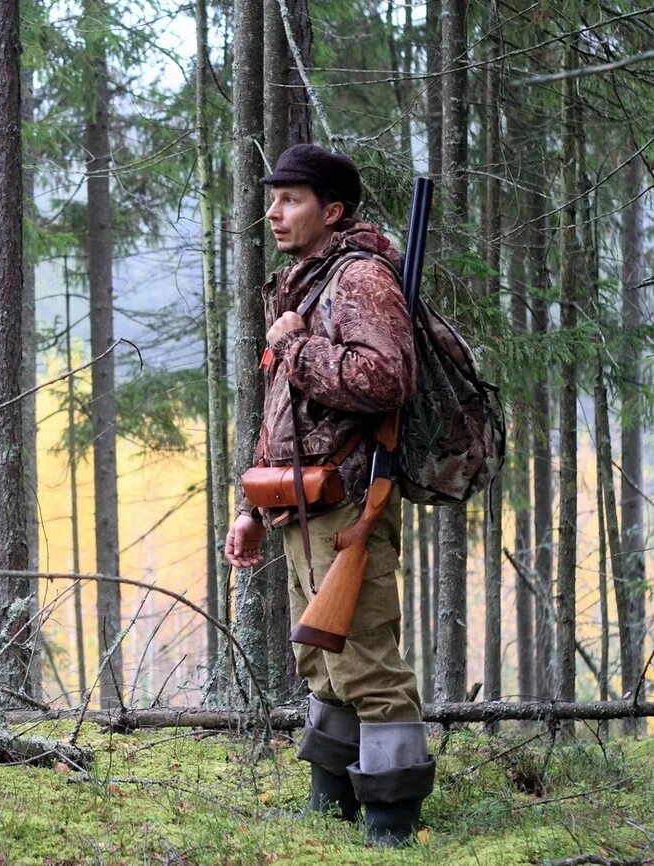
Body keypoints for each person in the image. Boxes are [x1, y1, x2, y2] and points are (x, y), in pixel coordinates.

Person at [223, 143, 435, 847]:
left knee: (366, 661)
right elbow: (283, 415)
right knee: (321, 658)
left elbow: (386, 380)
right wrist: (253, 508)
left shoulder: (360, 279)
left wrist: (294, 347)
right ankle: (332, 801)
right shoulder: (304, 282)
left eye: (291, 199)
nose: (274, 211)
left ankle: (391, 821)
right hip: (300, 502)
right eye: (274, 197)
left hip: (347, 502)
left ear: (332, 210)